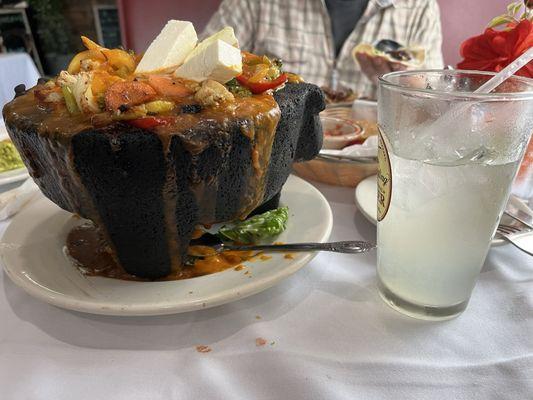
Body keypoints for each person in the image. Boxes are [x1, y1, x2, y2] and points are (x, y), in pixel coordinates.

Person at [203, 0, 443, 99]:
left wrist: (405, 87)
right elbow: (199, 69)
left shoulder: (418, 7)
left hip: (375, 171)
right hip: (273, 160)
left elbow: (435, 106)